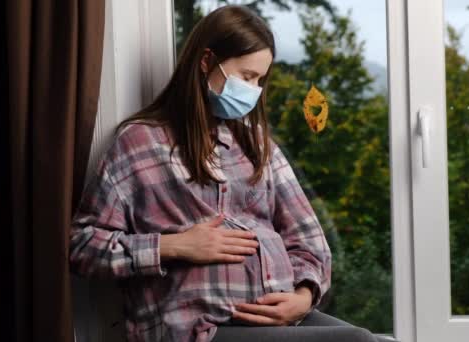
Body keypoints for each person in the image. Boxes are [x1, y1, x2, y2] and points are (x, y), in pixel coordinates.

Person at [69, 4, 382, 342]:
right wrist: (173, 246)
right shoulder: (139, 143)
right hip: (199, 327)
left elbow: (310, 241)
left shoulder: (256, 144)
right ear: (206, 62)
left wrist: (302, 298)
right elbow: (83, 246)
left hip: (275, 318)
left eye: (260, 80)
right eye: (247, 76)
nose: (254, 89)